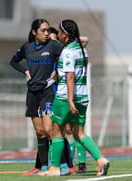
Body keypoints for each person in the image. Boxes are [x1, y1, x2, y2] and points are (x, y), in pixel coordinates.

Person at [38, 19, 110, 176]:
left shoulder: (68, 52)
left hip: (65, 97)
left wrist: (70, 100)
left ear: (64, 33)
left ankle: (55, 168)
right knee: (79, 133)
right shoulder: (82, 50)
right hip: (83, 97)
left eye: (59, 31)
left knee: (56, 130)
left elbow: (70, 76)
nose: (57, 34)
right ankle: (100, 159)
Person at [10, 18, 63, 175]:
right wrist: (25, 71)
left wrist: (57, 72)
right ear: (34, 32)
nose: (47, 33)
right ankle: (44, 167)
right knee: (39, 132)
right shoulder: (27, 47)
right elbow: (14, 61)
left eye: (48, 30)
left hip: (48, 91)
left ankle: (59, 165)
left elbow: (66, 57)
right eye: (43, 30)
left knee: (49, 129)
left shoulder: (53, 46)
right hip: (33, 92)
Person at [50, 26, 88, 174]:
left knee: (71, 131)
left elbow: (86, 39)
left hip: (68, 94)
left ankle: (78, 163)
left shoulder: (68, 50)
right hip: (62, 91)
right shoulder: (60, 50)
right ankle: (71, 163)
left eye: (56, 34)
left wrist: (60, 40)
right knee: (69, 131)